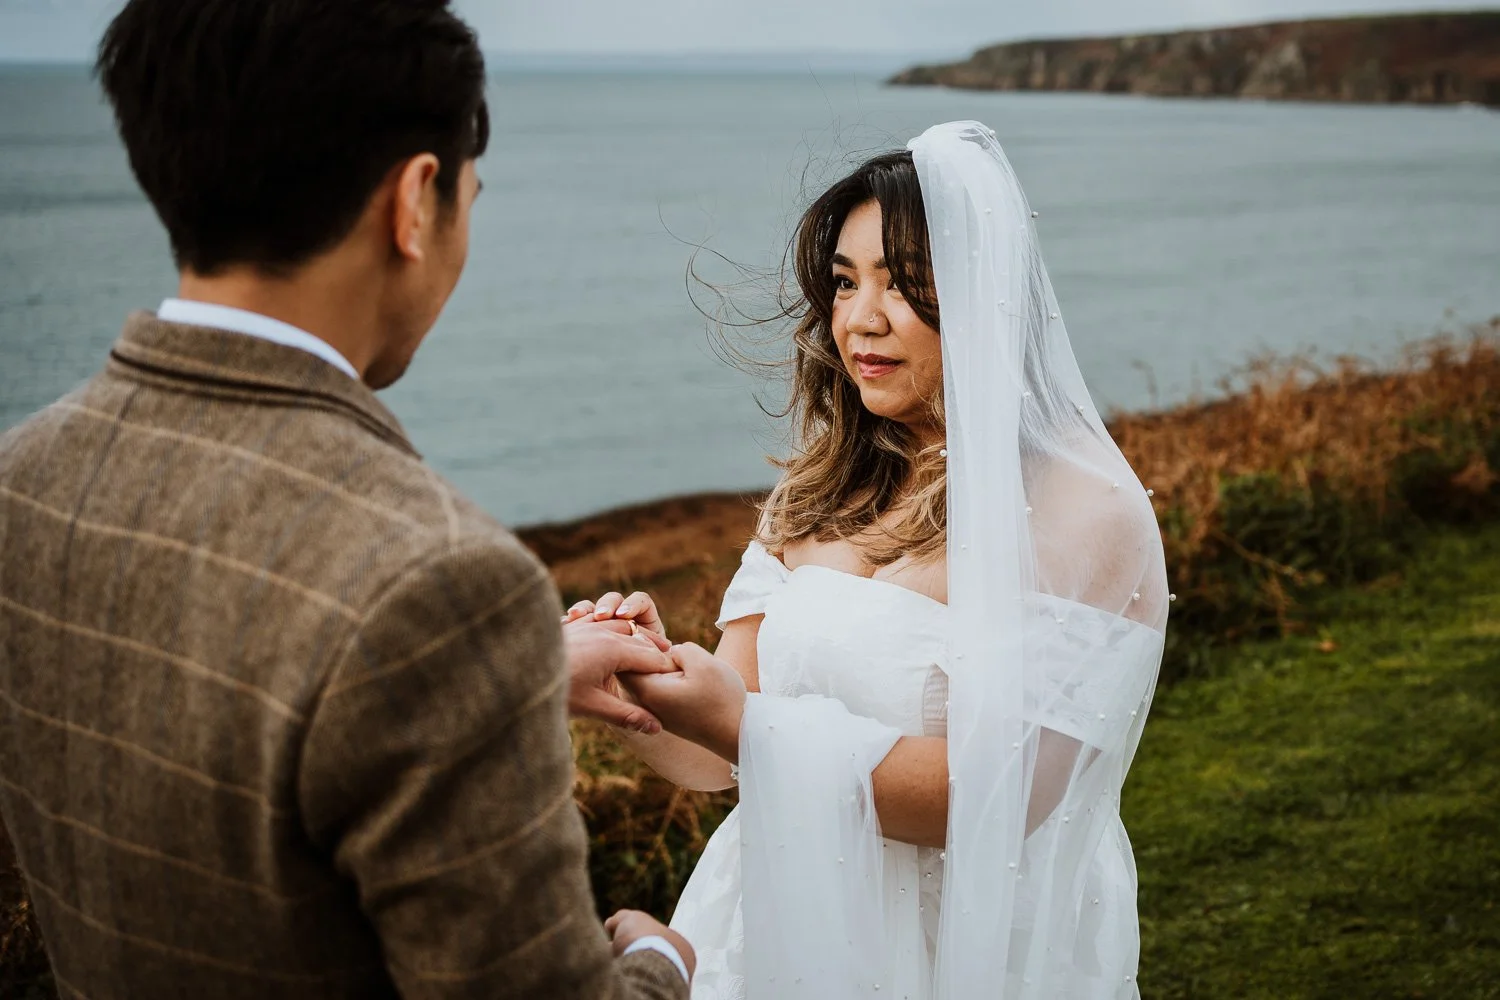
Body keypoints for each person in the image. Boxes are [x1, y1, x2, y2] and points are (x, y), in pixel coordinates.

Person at [0, 1, 693, 997]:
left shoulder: (25, 477)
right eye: (470, 196)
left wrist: (520, 672)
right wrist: (659, 961)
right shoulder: (447, 583)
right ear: (414, 202)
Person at [572, 123, 1170, 998]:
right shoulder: (818, 489)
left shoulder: (1085, 513)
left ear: (985, 296)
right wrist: (643, 676)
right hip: (771, 918)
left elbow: (988, 801)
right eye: (846, 283)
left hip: (963, 950)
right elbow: (716, 762)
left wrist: (741, 725)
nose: (860, 319)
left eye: (904, 285)